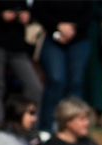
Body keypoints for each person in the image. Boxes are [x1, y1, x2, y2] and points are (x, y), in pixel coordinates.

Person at [31, 1, 95, 137]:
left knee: (75, 83)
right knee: (55, 80)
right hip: (52, 37)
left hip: (79, 39)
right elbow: (38, 9)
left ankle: (72, 128)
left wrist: (72, 29)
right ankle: (46, 128)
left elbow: (90, 11)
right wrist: (57, 26)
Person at [0, 1, 43, 129]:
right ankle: (1, 128)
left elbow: (36, 16)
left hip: (18, 48)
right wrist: (1, 16)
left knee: (35, 87)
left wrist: (28, 17)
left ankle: (29, 129)